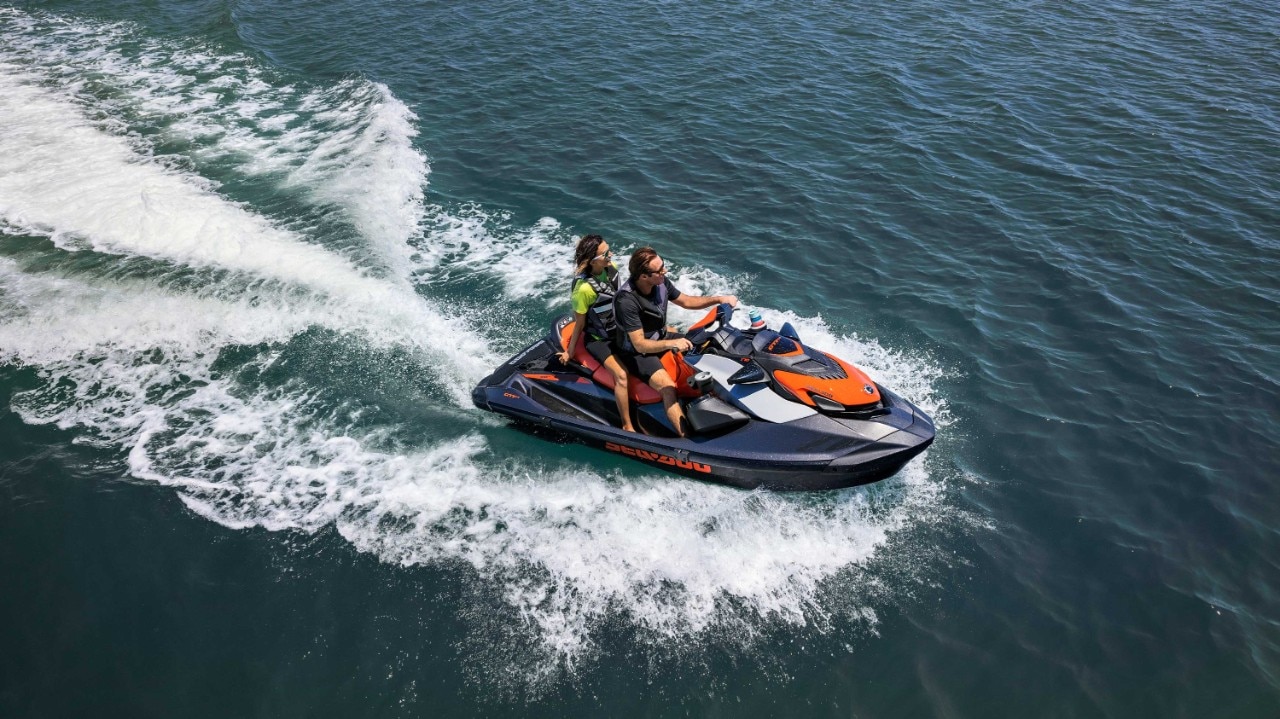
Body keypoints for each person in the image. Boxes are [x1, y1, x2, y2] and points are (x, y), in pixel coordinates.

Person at [612, 247, 737, 437]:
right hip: (636, 354)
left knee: (705, 349)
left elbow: (686, 301)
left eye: (663, 265)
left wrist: (719, 299)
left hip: (661, 338)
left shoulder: (660, 282)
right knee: (668, 388)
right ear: (644, 276)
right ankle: (686, 439)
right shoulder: (626, 301)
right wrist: (672, 343)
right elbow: (639, 344)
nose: (665, 271)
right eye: (659, 270)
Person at [556, 234, 635, 432]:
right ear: (593, 261)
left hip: (619, 330)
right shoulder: (583, 290)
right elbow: (579, 324)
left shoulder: (611, 269)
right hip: (599, 340)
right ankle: (627, 425)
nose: (611, 255)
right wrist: (570, 352)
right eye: (606, 254)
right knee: (622, 375)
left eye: (609, 250)